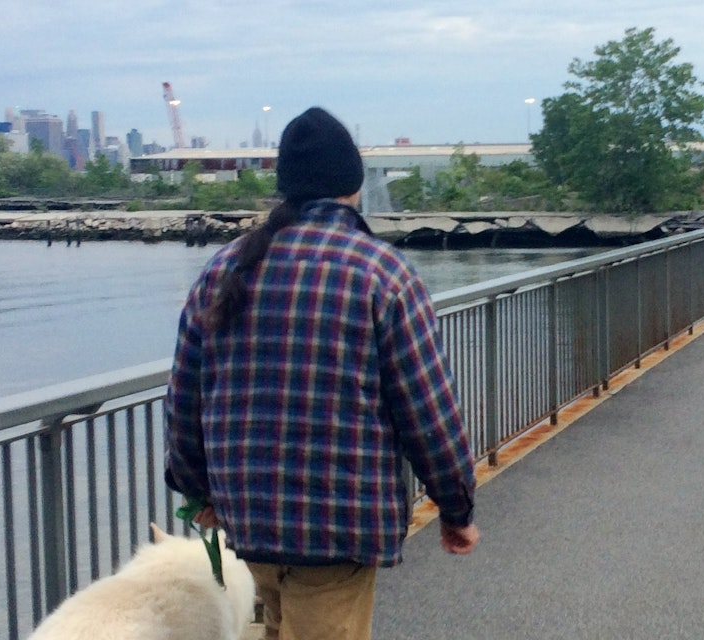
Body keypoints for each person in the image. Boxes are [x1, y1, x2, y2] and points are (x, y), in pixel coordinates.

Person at [166, 107, 479, 640]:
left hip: (249, 518)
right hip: (337, 525)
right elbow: (428, 412)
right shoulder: (381, 273)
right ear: (354, 186)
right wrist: (456, 506)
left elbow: (184, 401)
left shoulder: (224, 269)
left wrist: (199, 492)